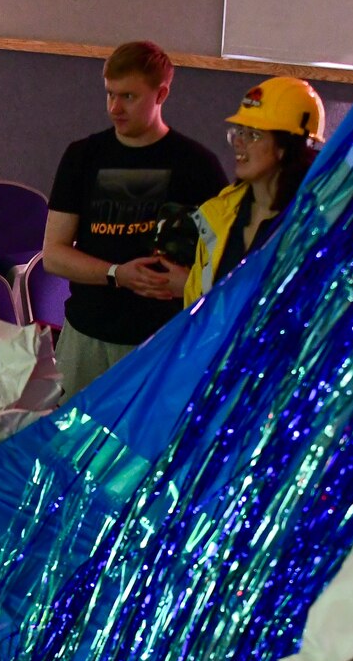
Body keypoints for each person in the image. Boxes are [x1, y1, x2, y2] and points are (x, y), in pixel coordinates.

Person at [42, 40, 228, 400]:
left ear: (161, 94)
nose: (115, 108)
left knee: (145, 453)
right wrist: (117, 274)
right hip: (87, 336)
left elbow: (226, 264)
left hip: (163, 338)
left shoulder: (197, 165)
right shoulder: (83, 156)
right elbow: (54, 254)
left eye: (128, 97)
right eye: (110, 94)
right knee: (70, 449)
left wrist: (187, 283)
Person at [172, 76, 326, 307]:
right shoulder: (215, 216)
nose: (239, 142)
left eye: (253, 135)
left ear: (286, 148)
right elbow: (196, 307)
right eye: (239, 132)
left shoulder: (315, 224)